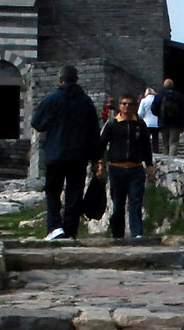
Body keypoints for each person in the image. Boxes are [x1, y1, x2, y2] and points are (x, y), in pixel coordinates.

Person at [28, 66, 101, 239]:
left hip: (55, 154)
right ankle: (70, 231)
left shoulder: (51, 99)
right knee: (74, 193)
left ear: (60, 80)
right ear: (77, 79)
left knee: (53, 191)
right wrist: (96, 158)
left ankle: (54, 228)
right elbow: (94, 132)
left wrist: (51, 125)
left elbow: (36, 123)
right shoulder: (86, 102)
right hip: (79, 156)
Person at [103, 95, 153, 240]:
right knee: (118, 203)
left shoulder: (139, 124)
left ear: (135, 107)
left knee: (135, 202)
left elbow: (146, 147)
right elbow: (102, 144)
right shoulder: (112, 124)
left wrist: (149, 167)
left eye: (130, 104)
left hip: (135, 168)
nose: (127, 107)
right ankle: (117, 234)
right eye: (124, 104)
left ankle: (137, 233)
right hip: (116, 168)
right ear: (120, 106)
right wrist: (99, 163)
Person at [153, 77, 184, 155]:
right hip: (176, 123)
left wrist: (160, 115)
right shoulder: (179, 96)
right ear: (173, 86)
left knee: (164, 144)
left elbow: (153, 108)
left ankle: (166, 161)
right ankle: (173, 160)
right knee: (174, 143)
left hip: (163, 122)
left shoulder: (159, 95)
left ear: (164, 85)